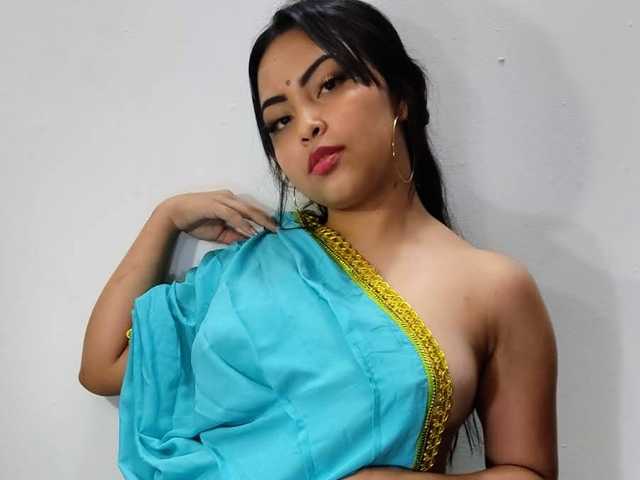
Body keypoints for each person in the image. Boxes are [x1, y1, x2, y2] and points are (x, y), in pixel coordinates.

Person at [78, 1, 558, 478]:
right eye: (280, 121)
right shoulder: (250, 271)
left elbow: (528, 472)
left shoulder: (494, 289)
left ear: (402, 95)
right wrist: (165, 219)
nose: (307, 125)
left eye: (329, 84)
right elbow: (102, 366)